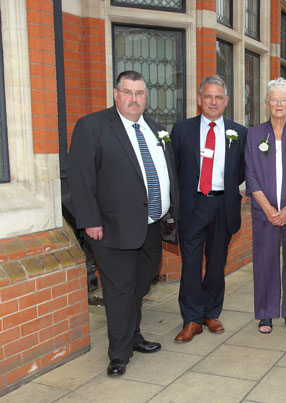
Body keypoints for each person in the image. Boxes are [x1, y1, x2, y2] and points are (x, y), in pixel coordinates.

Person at [68, 71, 179, 376]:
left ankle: (133, 335)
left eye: (140, 93)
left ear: (146, 97)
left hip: (151, 226)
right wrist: (89, 220)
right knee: (119, 290)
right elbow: (81, 176)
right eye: (128, 92)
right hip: (111, 228)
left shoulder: (156, 129)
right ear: (116, 94)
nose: (134, 98)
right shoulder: (93, 127)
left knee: (141, 283)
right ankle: (118, 352)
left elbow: (167, 174)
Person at [170, 76, 247, 342]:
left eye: (218, 97)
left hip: (223, 205)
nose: (213, 102)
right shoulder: (181, 130)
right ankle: (191, 319)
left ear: (226, 101)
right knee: (191, 264)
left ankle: (211, 312)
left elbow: (240, 172)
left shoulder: (239, 133)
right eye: (208, 96)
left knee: (216, 263)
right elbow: (175, 169)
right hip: (193, 205)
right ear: (199, 99)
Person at [245, 77, 286, 334]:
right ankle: (266, 313)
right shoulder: (254, 134)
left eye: (283, 99)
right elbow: (250, 175)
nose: (279, 104)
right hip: (265, 214)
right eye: (274, 100)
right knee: (265, 261)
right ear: (267, 104)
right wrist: (269, 209)